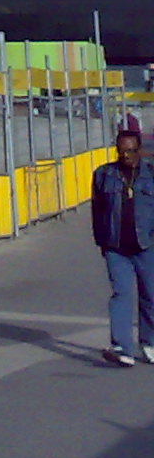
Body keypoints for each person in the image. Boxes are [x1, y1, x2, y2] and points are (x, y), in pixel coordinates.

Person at [91, 127, 154, 368]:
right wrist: (102, 242)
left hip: (146, 245)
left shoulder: (151, 174)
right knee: (121, 294)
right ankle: (122, 347)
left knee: (150, 295)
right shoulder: (103, 175)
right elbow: (97, 211)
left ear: (140, 150)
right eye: (122, 151)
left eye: (131, 151)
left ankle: (149, 343)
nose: (127, 156)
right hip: (116, 248)